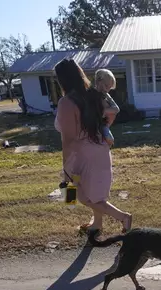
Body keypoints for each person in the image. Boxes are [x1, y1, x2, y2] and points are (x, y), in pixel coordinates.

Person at [53, 59, 132, 234]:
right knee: (96, 192)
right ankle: (97, 224)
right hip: (100, 149)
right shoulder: (93, 95)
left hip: (82, 154)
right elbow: (112, 113)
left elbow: (68, 140)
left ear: (62, 80)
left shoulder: (66, 102)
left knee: (83, 196)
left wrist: (66, 168)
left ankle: (123, 217)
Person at [94, 69, 120, 147]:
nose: (107, 90)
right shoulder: (91, 95)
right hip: (96, 125)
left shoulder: (106, 95)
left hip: (104, 124)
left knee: (110, 140)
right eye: (106, 86)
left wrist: (105, 111)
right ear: (98, 81)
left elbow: (116, 109)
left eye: (109, 88)